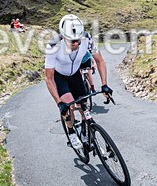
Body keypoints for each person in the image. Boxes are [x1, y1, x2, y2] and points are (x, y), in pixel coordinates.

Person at [44, 14, 112, 151]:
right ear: (63, 37)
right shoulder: (53, 46)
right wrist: (59, 103)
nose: (76, 43)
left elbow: (100, 61)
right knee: (69, 105)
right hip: (59, 76)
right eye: (72, 41)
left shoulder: (86, 38)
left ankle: (86, 131)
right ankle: (71, 132)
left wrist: (104, 85)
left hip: (75, 74)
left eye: (78, 40)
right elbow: (49, 78)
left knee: (83, 106)